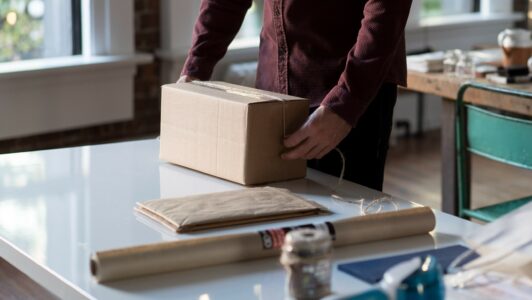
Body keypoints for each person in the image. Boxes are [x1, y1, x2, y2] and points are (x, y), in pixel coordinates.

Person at [179, 0, 412, 191]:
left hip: (346, 96)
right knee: (276, 220)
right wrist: (193, 72)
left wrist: (345, 102)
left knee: (347, 230)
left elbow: (387, 8)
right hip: (272, 96)